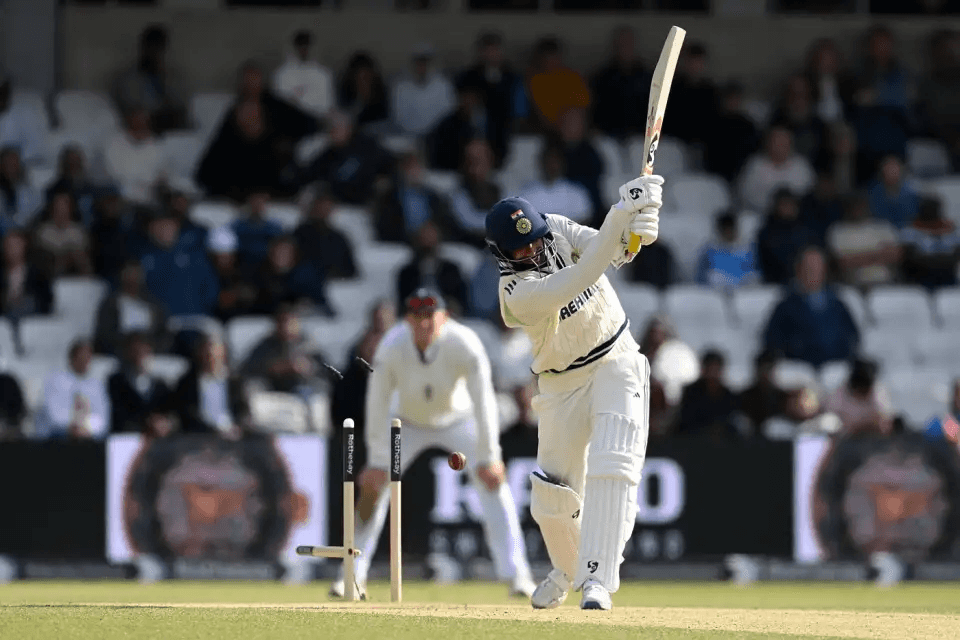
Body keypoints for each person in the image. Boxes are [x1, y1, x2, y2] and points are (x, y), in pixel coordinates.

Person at [484, 172, 663, 610]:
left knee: (612, 463)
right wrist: (623, 211)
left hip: (615, 358)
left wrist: (641, 225)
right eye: (519, 249)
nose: (531, 251)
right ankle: (568, 570)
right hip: (561, 384)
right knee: (550, 498)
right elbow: (583, 274)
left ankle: (598, 580)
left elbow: (614, 249)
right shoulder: (515, 295)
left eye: (534, 241)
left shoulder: (557, 228)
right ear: (501, 255)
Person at [335, 288, 536, 600]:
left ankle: (518, 576)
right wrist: (376, 461)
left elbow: (484, 399)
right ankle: (350, 576)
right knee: (373, 490)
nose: (425, 323)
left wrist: (490, 456)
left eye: (431, 316)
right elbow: (377, 401)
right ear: (407, 320)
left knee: (495, 484)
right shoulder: (392, 345)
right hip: (406, 421)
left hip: (459, 419)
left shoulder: (464, 343)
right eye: (418, 316)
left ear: (444, 318)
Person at [763, 246, 860, 368]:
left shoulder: (838, 304)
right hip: (799, 367)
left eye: (818, 267)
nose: (814, 272)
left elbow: (853, 335)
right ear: (799, 270)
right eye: (809, 268)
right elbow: (772, 339)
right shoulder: (785, 305)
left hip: (836, 365)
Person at [34, 339, 110, 440]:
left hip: (89, 437)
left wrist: (85, 428)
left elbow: (103, 420)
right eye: (81, 357)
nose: (84, 361)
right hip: (59, 437)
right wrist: (74, 426)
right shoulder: (56, 381)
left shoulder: (96, 386)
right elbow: (54, 416)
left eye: (87, 357)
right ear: (72, 358)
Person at [108, 331, 172, 436]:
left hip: (157, 440)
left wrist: (165, 422)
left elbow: (169, 411)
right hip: (127, 438)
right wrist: (147, 422)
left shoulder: (160, 385)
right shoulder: (116, 382)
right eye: (136, 351)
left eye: (144, 351)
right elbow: (118, 415)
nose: (140, 356)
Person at [271, 30, 335, 121]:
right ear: (295, 46)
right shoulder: (281, 74)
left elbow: (327, 106)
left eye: (306, 45)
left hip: (317, 123)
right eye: (300, 45)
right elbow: (279, 105)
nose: (304, 49)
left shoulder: (324, 74)